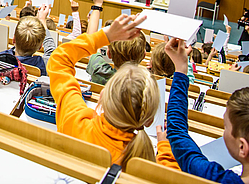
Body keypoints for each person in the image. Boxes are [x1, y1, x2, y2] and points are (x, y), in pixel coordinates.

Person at [47, 13, 179, 169]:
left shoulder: (77, 125)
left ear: (102, 97)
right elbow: (169, 172)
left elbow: (59, 61)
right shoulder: (149, 167)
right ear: (149, 121)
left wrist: (106, 35)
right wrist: (165, 148)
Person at [162, 37, 249, 184]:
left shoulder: (215, 179)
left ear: (243, 147)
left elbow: (177, 132)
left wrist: (181, 71)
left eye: (226, 127)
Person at [0, 4, 55, 76]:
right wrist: (42, 20)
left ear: (14, 39)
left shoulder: (0, 58)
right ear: (40, 46)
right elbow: (52, 52)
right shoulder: (43, 65)